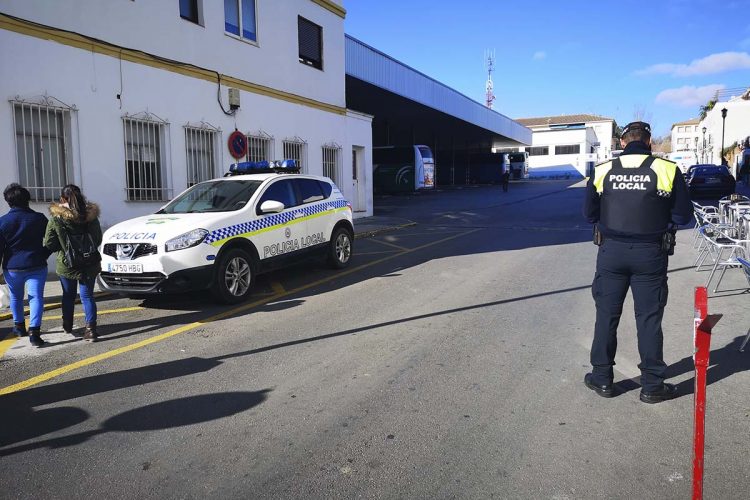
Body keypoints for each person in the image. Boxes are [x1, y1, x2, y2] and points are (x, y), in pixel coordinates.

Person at [582, 121, 693, 404]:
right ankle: (652, 385)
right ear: (649, 143)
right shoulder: (667, 169)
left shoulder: (602, 170)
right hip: (651, 254)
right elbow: (683, 216)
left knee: (606, 316)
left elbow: (589, 213)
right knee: (649, 319)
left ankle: (602, 378)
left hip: (611, 253)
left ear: (622, 143)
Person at [44, 184, 102, 342]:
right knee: (87, 296)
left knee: (68, 296)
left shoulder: (57, 218)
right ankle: (91, 330)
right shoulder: (91, 215)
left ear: (62, 199)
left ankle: (67, 325)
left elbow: (49, 243)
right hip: (89, 262)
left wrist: (63, 249)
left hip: (67, 263)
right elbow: (97, 239)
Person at [0, 183, 50, 347]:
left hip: (12, 267)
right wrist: (44, 253)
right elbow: (51, 240)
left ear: (8, 201)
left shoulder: (3, 222)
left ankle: (19, 327)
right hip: (36, 263)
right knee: (36, 298)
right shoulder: (40, 218)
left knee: (15, 297)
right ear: (27, 199)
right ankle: (34, 333)